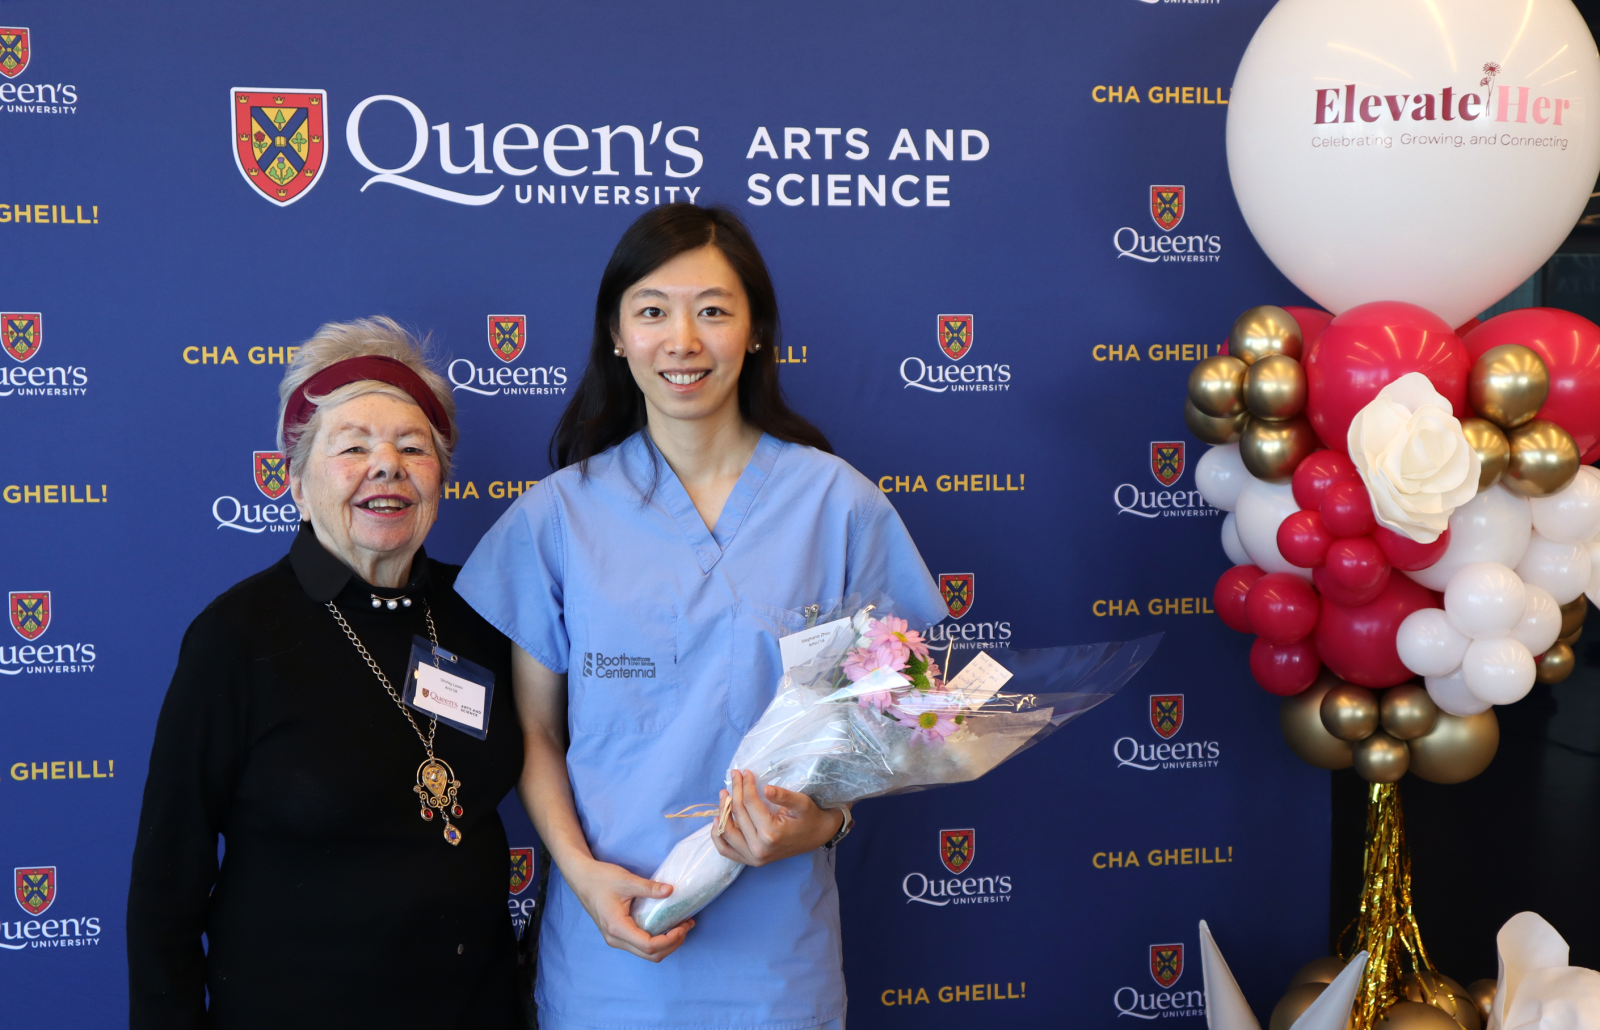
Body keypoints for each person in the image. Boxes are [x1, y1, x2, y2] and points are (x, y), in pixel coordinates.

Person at [456, 205, 945, 1030]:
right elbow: (534, 733)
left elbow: (892, 725)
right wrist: (579, 873)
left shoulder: (838, 506)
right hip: (614, 940)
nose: (682, 340)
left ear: (755, 331)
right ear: (616, 334)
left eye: (713, 310)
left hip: (777, 958)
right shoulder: (556, 520)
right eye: (652, 311)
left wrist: (820, 824)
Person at [127, 318, 523, 1029]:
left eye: (413, 447)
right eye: (353, 447)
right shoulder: (235, 637)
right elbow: (167, 881)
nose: (388, 466)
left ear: (441, 476)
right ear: (297, 484)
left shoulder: (487, 616)